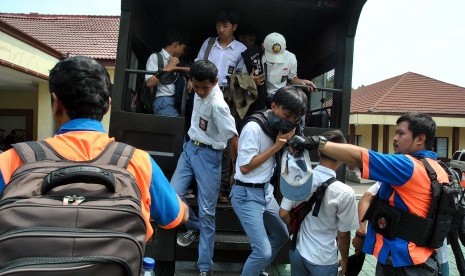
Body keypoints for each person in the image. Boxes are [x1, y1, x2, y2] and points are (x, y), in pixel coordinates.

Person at [0, 56, 189, 241]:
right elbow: (174, 218)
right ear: (107, 105)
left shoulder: (12, 161)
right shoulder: (138, 162)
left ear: (56, 104)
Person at [289, 112, 449, 275]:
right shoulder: (438, 169)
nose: (395, 138)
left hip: (401, 262)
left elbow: (360, 157)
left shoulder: (408, 166)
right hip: (422, 259)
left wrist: (315, 142)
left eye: (401, 133)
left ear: (420, 139)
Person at [231, 86, 307, 276]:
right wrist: (277, 146)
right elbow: (245, 167)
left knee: (281, 235)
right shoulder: (254, 127)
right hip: (246, 194)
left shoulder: (279, 128)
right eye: (287, 115)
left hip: (265, 192)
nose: (289, 122)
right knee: (263, 252)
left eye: (294, 119)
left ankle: (256, 268)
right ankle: (258, 264)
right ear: (273, 106)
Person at [171, 60, 238, 276]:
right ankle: (196, 227)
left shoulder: (218, 105)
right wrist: (193, 83)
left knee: (208, 212)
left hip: (210, 157)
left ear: (215, 82)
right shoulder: (197, 86)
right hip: (190, 149)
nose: (200, 91)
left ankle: (204, 268)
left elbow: (233, 137)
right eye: (196, 85)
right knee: (172, 198)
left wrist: (236, 169)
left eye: (204, 88)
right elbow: (196, 82)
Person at [279, 129, 359, 276]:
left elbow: (283, 213)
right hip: (323, 258)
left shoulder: (299, 180)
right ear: (342, 157)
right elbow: (343, 234)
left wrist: (295, 227)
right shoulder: (345, 193)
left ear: (319, 153)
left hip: (297, 250)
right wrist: (345, 260)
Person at [195, 9, 247, 205]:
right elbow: (197, 65)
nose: (221, 29)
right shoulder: (208, 44)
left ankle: (221, 189)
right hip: (204, 94)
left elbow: (244, 78)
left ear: (234, 27)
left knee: (225, 143)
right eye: (218, 25)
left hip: (228, 97)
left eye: (225, 26)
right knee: (201, 138)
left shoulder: (241, 50)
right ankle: (202, 187)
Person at [248, 32, 316, 107]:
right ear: (263, 46)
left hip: (281, 96)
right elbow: (242, 79)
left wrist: (301, 82)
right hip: (260, 97)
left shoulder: (290, 58)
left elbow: (292, 78)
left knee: (299, 106)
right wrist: (251, 81)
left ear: (285, 47)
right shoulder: (253, 58)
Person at [145, 32, 189, 117]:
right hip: (163, 100)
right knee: (175, 127)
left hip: (179, 100)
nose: (183, 52)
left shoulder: (178, 61)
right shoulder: (155, 57)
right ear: (175, 45)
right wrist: (169, 67)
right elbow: (149, 83)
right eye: (183, 48)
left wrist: (190, 78)